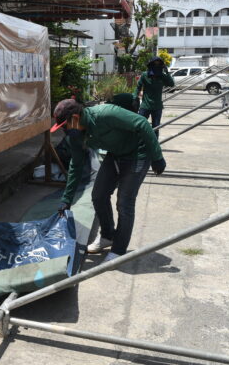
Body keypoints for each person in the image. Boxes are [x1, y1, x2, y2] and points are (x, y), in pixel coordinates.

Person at [52, 98, 166, 262]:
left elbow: (142, 123)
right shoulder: (75, 135)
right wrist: (66, 199)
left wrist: (157, 156)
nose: (64, 132)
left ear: (75, 118)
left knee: (124, 202)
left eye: (64, 127)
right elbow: (76, 165)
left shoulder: (105, 113)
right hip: (116, 154)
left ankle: (118, 250)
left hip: (138, 153)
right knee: (98, 195)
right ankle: (107, 236)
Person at [134, 56, 175, 136]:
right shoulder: (145, 75)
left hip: (157, 107)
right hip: (145, 106)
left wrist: (167, 73)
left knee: (155, 128)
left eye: (158, 65)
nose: (156, 67)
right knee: (139, 125)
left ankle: (154, 145)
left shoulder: (162, 76)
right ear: (151, 65)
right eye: (154, 64)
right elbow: (138, 87)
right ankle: (138, 143)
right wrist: (135, 97)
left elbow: (171, 84)